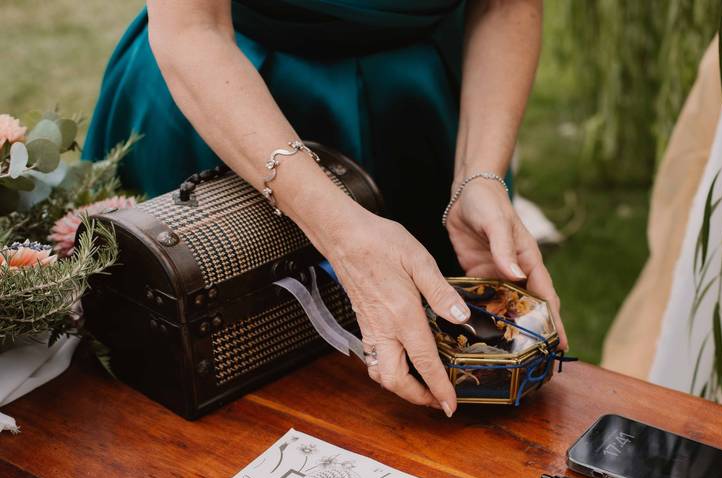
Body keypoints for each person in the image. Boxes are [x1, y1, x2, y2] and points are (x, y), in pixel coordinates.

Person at [83, 0, 567, 417]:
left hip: (420, 110)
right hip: (232, 101)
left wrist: (478, 174)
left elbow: (505, 5)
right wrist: (342, 232)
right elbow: (191, 28)